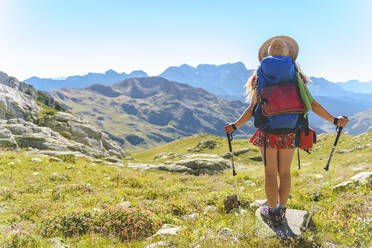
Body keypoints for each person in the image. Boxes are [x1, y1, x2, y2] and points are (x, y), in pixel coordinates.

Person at [224, 36, 349, 225]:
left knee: (269, 173)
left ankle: (272, 212)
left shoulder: (259, 76)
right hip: (290, 132)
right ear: (290, 54)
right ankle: (281, 211)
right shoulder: (297, 76)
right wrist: (334, 120)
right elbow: (312, 104)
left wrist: (234, 126)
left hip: (267, 133)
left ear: (265, 56)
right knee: (285, 173)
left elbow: (251, 109)